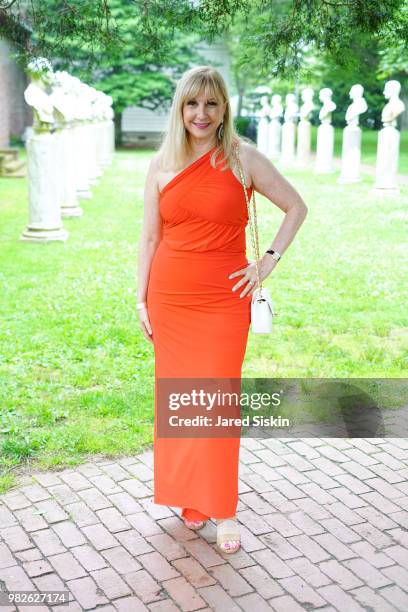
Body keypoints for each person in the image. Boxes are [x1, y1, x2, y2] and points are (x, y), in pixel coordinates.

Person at [136, 66, 308, 554]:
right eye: (192, 104)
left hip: (222, 301)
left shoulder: (242, 158)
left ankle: (223, 507)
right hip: (170, 298)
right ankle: (192, 499)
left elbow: (296, 206)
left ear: (224, 108)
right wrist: (140, 298)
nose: (201, 114)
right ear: (180, 108)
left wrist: (267, 262)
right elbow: (150, 236)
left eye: (211, 104)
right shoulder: (161, 164)